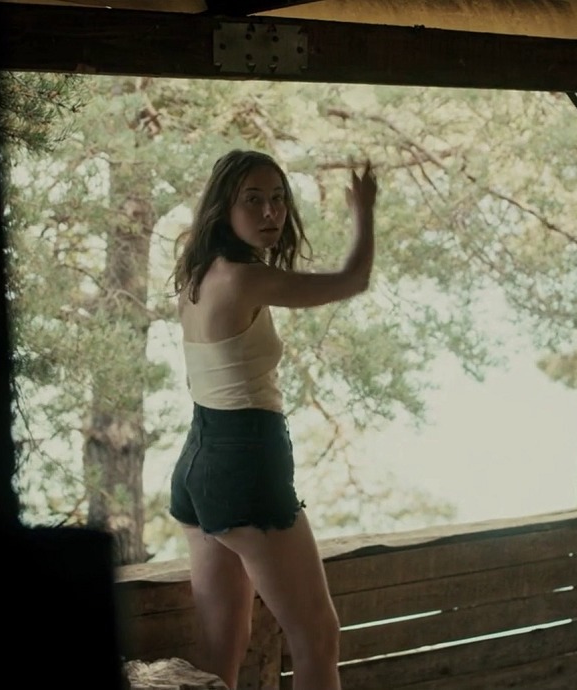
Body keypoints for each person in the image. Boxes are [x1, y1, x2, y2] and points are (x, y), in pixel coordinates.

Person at [168, 149, 376, 690]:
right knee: (318, 638)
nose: (271, 212)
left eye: (279, 198)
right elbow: (353, 279)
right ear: (224, 208)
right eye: (253, 200)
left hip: (197, 469)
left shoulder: (196, 276)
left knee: (219, 650)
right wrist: (364, 211)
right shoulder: (245, 279)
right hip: (245, 468)